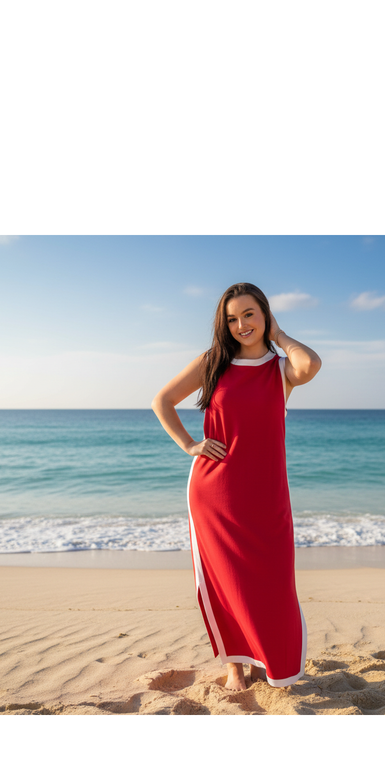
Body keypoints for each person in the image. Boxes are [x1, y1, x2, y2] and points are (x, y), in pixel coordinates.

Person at [152, 282, 322, 691]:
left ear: (265, 314)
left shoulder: (280, 370)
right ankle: (235, 666)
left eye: (249, 314)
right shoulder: (213, 362)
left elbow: (311, 364)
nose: (241, 324)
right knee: (225, 581)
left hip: (267, 495)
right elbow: (163, 400)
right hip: (215, 492)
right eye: (232, 319)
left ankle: (268, 660)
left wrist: (279, 337)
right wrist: (190, 444)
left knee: (273, 582)